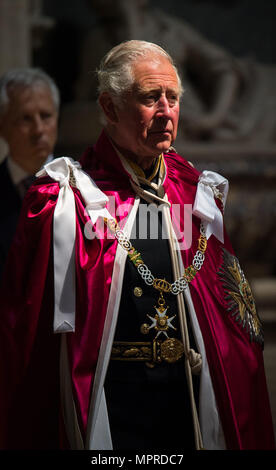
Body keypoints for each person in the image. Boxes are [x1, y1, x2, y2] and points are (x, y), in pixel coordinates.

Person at [0, 40, 274, 451]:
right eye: (150, 98)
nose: (166, 111)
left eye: (173, 98)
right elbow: (25, 341)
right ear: (109, 108)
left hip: (189, 405)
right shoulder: (67, 201)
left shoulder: (194, 194)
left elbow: (233, 319)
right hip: (115, 411)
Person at [0, 67, 59, 278]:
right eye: (25, 119)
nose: (38, 130)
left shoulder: (86, 188)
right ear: (2, 125)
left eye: (46, 116)